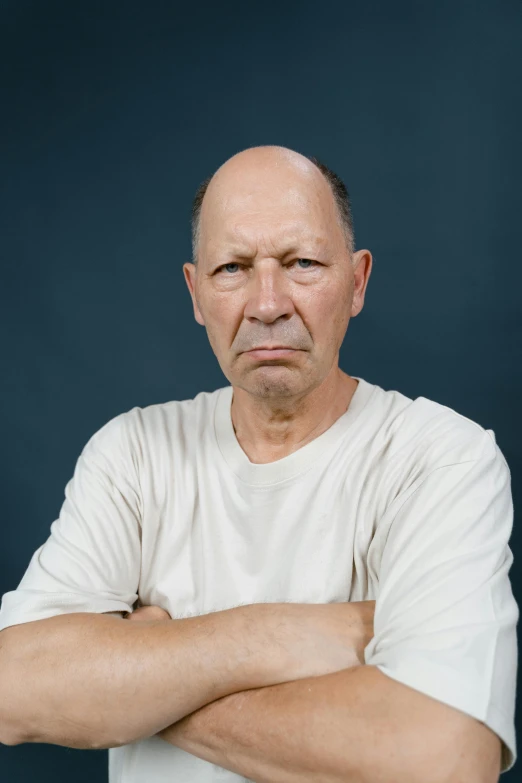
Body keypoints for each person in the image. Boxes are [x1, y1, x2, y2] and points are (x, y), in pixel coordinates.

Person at [0, 146, 517, 781]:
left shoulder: (441, 459)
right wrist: (275, 639)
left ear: (357, 281)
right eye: (232, 268)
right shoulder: (133, 454)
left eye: (302, 263)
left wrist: (142, 678)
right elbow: (13, 688)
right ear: (195, 292)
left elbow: (445, 758)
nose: (267, 304)